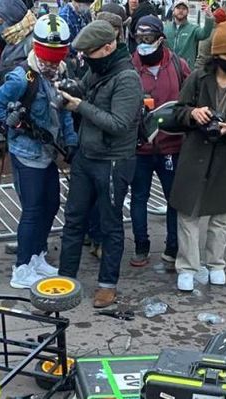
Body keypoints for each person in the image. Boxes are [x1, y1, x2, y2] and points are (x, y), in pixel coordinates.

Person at [169, 20, 226, 291]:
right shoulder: (198, 78)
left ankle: (216, 263)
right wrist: (193, 113)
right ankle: (187, 267)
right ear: (216, 54)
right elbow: (178, 111)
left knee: (221, 215)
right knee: (188, 212)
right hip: (195, 151)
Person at [56, 21, 141, 308]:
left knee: (110, 224)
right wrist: (69, 89)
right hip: (86, 156)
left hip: (113, 161)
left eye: (88, 53)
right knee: (73, 219)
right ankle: (66, 278)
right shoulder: (98, 69)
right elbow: (84, 89)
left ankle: (107, 285)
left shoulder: (127, 78)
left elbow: (118, 123)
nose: (85, 58)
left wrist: (79, 106)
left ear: (107, 48)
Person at [0, 14, 75, 288]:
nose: (53, 64)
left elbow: (65, 110)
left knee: (51, 205)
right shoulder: (22, 77)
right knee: (33, 209)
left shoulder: (60, 73)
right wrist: (16, 123)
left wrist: (71, 141)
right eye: (49, 57)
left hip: (48, 152)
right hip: (26, 152)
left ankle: (37, 256)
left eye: (57, 57)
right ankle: (22, 267)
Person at [129, 15, 189, 267]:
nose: (143, 43)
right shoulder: (129, 66)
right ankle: (141, 246)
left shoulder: (178, 64)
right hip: (140, 147)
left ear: (161, 38)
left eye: (149, 37)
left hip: (171, 146)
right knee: (139, 198)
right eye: (139, 38)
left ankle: (173, 247)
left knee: (174, 198)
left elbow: (191, 96)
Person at [165, 0, 212, 69]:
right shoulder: (166, 28)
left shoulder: (193, 29)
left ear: (188, 11)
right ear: (173, 10)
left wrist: (209, 17)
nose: (181, 10)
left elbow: (204, 34)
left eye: (184, 8)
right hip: (169, 69)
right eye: (178, 8)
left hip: (187, 70)